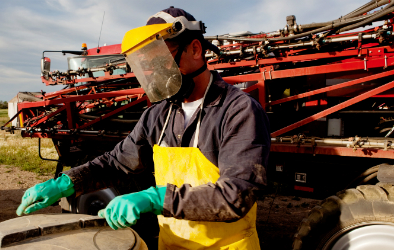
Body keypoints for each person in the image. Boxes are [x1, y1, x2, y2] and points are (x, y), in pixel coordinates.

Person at [17, 7, 270, 250]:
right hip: (172, 246)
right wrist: (65, 183)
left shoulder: (237, 110)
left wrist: (155, 198)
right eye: (151, 65)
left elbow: (235, 195)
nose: (158, 74)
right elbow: (116, 163)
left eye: (164, 61)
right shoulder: (158, 115)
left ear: (195, 49)